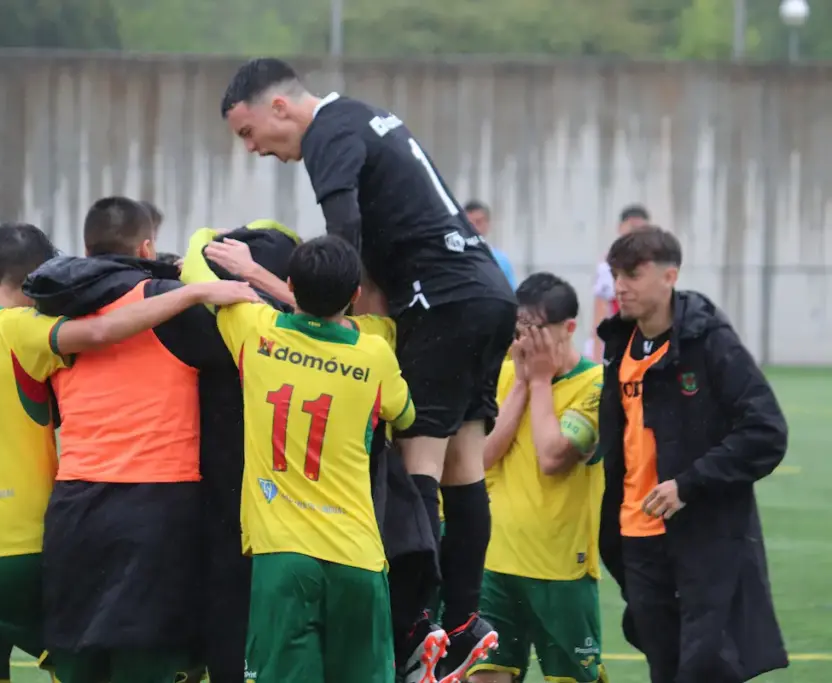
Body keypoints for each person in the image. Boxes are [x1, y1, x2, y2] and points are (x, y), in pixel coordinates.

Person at [218, 57, 516, 683]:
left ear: (279, 108)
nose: (253, 150)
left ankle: (416, 629)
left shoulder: (329, 134)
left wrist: (258, 277)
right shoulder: (362, 118)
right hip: (486, 292)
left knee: (418, 466)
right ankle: (461, 624)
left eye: (248, 133)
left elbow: (343, 253)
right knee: (464, 463)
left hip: (443, 303)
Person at [0, 222, 256, 683]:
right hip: (23, 547)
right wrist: (189, 292)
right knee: (112, 658)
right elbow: (101, 332)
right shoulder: (20, 328)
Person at [31, 198, 261, 683]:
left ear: (88, 245)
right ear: (147, 245)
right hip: (156, 504)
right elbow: (250, 351)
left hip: (74, 504)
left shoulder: (54, 306)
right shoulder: (165, 299)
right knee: (151, 662)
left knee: (82, 663)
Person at [214, 235, 414, 683]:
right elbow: (405, 413)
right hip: (356, 556)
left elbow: (193, 264)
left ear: (287, 283)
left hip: (282, 557)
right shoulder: (374, 352)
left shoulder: (255, 329)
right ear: (355, 296)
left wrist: (243, 266)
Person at [596, 226, 789, 683]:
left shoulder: (711, 341)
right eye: (615, 274)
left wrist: (689, 483)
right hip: (635, 535)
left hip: (704, 536)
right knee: (662, 662)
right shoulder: (618, 345)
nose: (621, 285)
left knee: (706, 666)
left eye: (633, 274)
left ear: (670, 276)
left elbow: (767, 431)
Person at [468, 273, 605, 683]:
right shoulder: (507, 375)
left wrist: (542, 381)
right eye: (519, 330)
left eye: (537, 330)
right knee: (482, 676)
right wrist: (524, 385)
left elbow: (552, 456)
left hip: (561, 572)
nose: (526, 342)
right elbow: (480, 459)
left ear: (568, 328)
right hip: (496, 563)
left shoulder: (596, 386)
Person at [589, 205, 650, 361]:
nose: (635, 235)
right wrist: (597, 357)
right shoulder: (607, 267)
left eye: (641, 230)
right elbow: (600, 315)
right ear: (620, 228)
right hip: (617, 343)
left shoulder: (653, 267)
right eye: (632, 228)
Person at [463, 201, 517, 290]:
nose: (473, 228)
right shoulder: (453, 258)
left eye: (478, 222)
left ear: (487, 224)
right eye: (469, 223)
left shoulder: (500, 260)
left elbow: (512, 295)